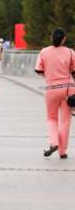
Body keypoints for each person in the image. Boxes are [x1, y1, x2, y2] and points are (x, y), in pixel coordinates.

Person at [34, 28, 75, 159]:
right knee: (65, 121)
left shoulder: (44, 52)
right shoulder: (70, 52)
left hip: (52, 88)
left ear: (51, 38)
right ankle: (62, 151)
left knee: (52, 118)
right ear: (64, 39)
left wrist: (49, 74)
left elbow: (38, 70)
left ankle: (54, 142)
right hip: (69, 89)